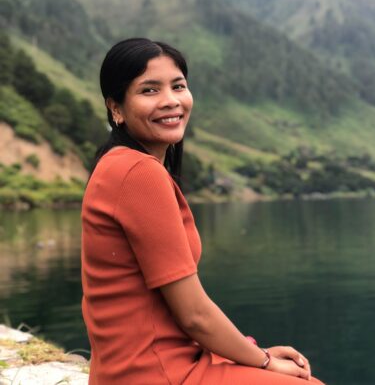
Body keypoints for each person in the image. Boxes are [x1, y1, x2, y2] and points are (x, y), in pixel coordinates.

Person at [81, 37, 326, 385]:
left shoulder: (120, 165)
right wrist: (265, 360)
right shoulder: (138, 173)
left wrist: (247, 350)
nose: (171, 101)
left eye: (178, 86)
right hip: (154, 373)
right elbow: (194, 314)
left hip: (141, 366)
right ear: (116, 108)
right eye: (149, 90)